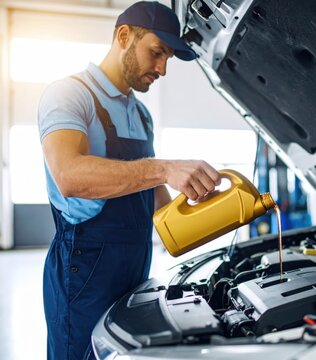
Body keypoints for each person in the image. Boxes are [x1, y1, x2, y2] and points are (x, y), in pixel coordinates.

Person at [38, 2, 221, 359]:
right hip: (84, 272)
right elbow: (69, 177)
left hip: (136, 270)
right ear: (124, 36)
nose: (163, 69)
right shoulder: (70, 95)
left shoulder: (142, 115)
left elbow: (159, 204)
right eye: (157, 53)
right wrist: (166, 168)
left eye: (167, 57)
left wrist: (210, 210)